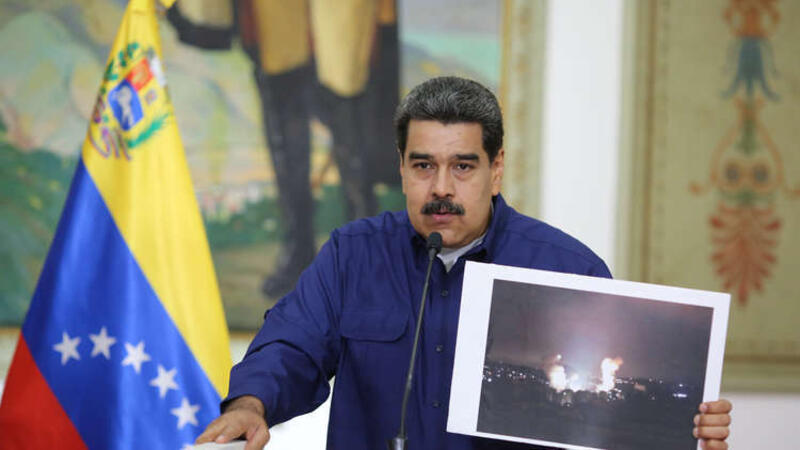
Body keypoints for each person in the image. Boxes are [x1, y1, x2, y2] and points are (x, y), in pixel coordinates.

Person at [196, 77, 732, 450]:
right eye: (423, 166)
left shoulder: (568, 270)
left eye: (463, 166)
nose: (441, 188)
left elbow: (607, 414)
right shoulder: (352, 255)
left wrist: (683, 433)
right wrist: (250, 404)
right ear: (401, 169)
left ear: (495, 171)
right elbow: (291, 345)